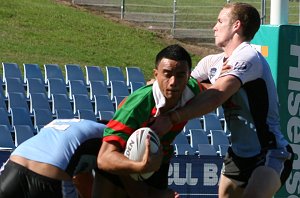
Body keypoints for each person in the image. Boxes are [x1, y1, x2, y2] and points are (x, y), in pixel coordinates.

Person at [151, 3, 294, 198]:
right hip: (237, 155)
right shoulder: (212, 62)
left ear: (236, 25)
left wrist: (173, 117)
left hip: (268, 152)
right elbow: (183, 89)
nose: (214, 27)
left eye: (220, 21)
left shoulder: (248, 55)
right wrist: (158, 84)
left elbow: (217, 95)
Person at [95, 44, 205, 198]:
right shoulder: (138, 106)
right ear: (156, 74)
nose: (173, 82)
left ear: (188, 76)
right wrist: (141, 166)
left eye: (180, 75)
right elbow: (104, 158)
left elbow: (216, 90)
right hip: (121, 161)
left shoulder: (192, 90)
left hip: (158, 160)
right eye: (167, 74)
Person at [0, 118, 106, 198]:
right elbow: (84, 182)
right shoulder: (107, 133)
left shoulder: (63, 122)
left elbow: (81, 177)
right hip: (50, 177)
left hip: (13, 167)